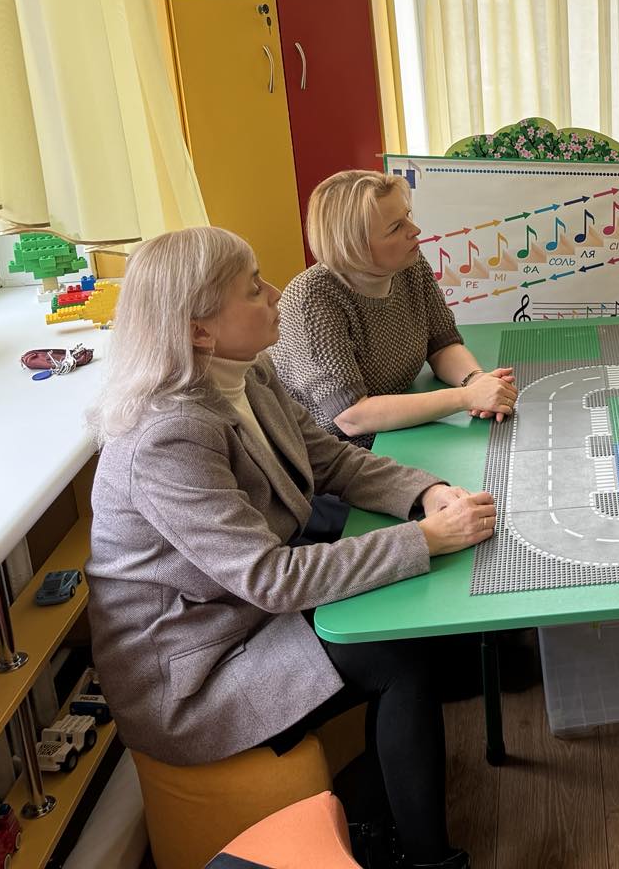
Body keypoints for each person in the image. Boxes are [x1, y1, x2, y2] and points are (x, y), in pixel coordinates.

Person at [87, 227, 497, 869]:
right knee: (400, 661)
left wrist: (427, 493)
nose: (276, 293)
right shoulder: (167, 436)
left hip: (240, 613)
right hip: (195, 671)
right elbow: (271, 579)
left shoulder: (246, 371)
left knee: (407, 640)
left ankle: (378, 821)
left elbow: (330, 459)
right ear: (199, 330)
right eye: (253, 288)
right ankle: (425, 858)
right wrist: (423, 538)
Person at [272, 169, 517, 447]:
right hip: (327, 452)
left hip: (392, 430)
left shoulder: (408, 264)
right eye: (395, 227)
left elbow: (441, 345)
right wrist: (467, 397)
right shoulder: (311, 298)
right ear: (354, 245)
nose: (414, 230)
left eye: (407, 216)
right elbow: (352, 417)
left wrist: (476, 381)